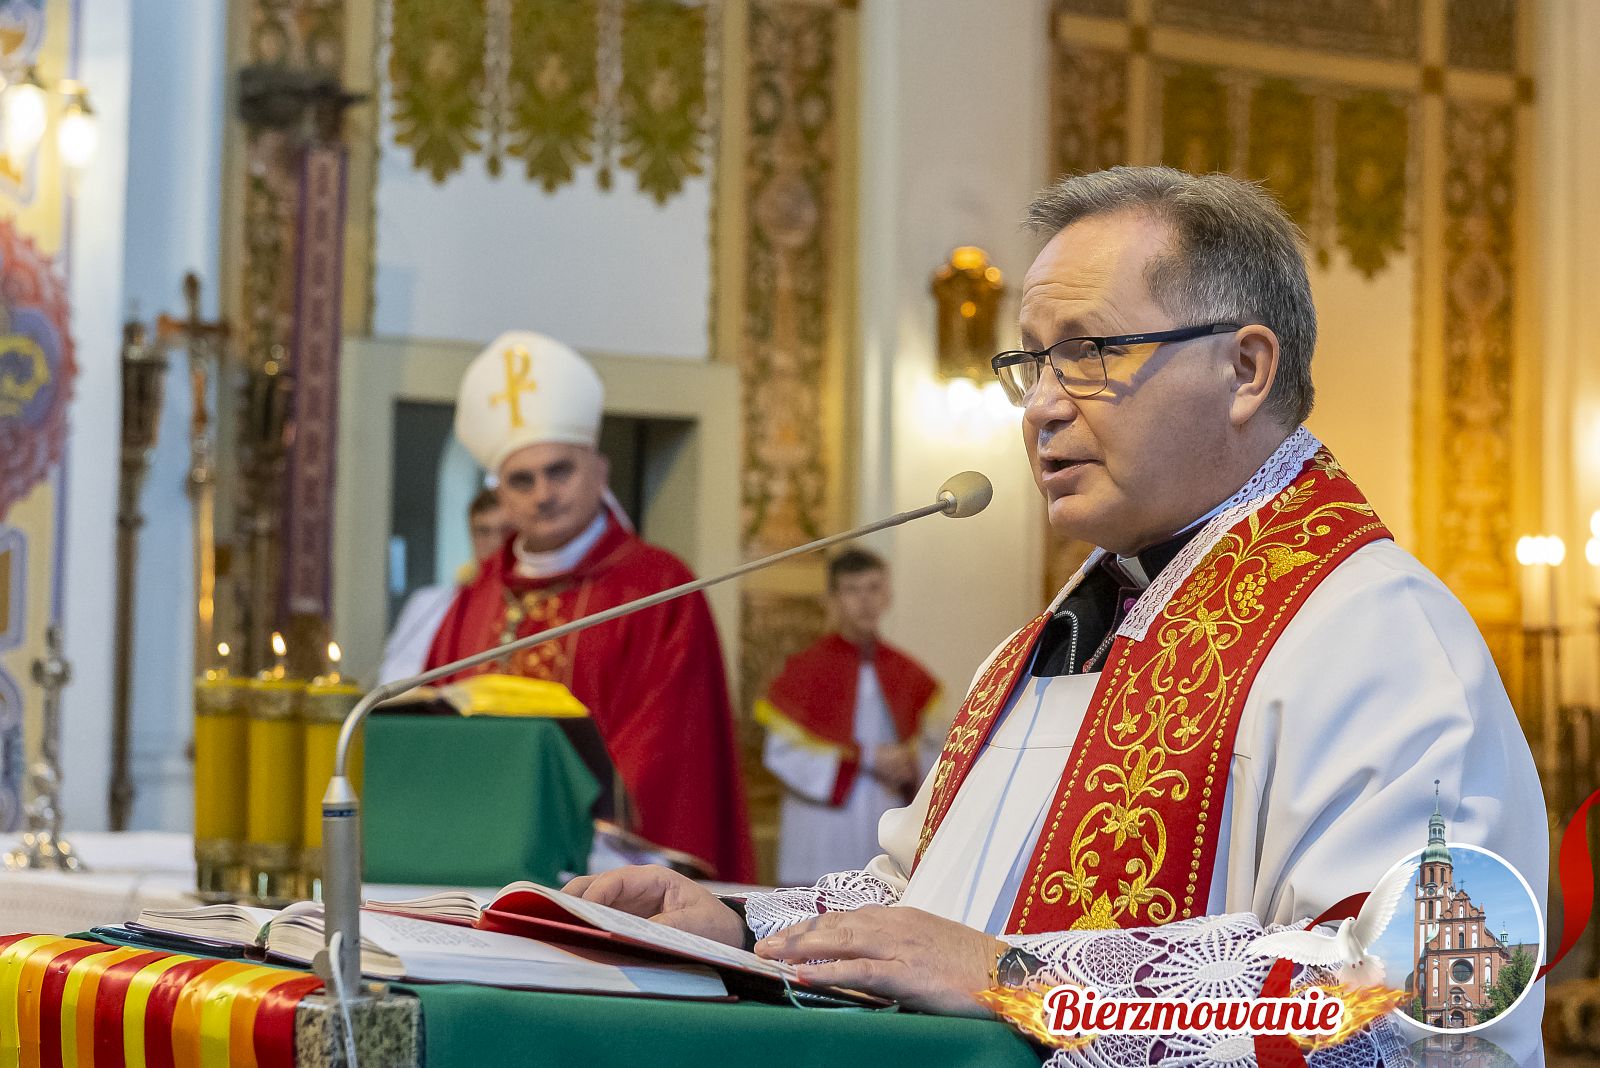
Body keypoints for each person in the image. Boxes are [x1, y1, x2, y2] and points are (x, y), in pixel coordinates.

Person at [564, 168, 1547, 1064]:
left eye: (1084, 354)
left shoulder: (1379, 637)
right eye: (1031, 362)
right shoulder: (1045, 645)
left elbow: (1425, 998)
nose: (1038, 407)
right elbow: (920, 902)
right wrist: (743, 926)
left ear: (1245, 370)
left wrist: (1022, 982)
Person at [426, 330, 755, 881]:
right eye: (522, 480)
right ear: (500, 495)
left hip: (600, 874)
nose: (543, 494)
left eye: (560, 470)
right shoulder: (476, 598)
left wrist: (566, 837)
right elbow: (437, 729)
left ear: (599, 472)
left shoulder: (659, 591)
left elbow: (669, 748)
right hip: (476, 866)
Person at [757, 547, 940, 885]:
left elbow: (936, 750)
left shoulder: (909, 674)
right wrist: (867, 758)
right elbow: (781, 754)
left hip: (883, 817)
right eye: (852, 590)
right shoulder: (803, 672)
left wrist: (912, 766)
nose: (864, 601)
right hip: (823, 827)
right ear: (832, 600)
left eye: (874, 588)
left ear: (887, 596)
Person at [377, 487, 510, 684]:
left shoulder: (531, 603)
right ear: (471, 534)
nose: (496, 542)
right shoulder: (428, 602)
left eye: (507, 531)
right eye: (483, 531)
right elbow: (392, 674)